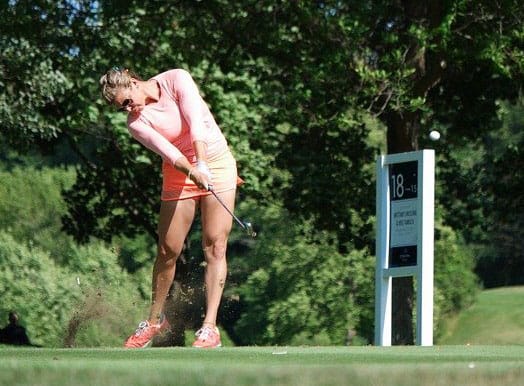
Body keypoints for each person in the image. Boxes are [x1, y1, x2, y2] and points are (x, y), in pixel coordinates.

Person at [100, 67, 242, 349]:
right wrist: (193, 171)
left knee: (215, 246)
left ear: (132, 81)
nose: (129, 109)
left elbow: (195, 121)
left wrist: (203, 164)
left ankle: (210, 328)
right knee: (167, 251)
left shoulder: (176, 78)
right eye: (122, 108)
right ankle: (154, 320)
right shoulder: (135, 123)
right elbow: (169, 152)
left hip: (216, 161)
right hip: (180, 173)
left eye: (127, 101)